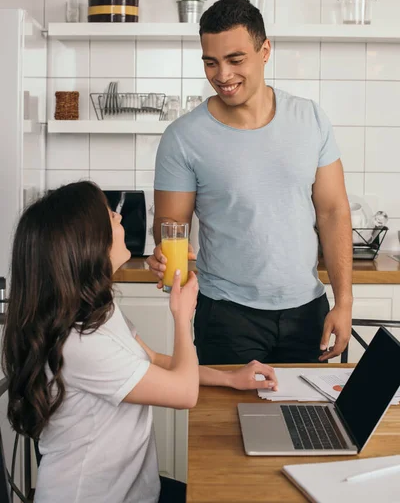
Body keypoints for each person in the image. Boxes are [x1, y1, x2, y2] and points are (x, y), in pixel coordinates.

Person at [2, 180, 277, 503]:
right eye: (108, 215)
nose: (118, 218)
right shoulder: (78, 344)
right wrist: (181, 316)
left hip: (137, 492)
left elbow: (157, 362)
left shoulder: (97, 312)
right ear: (85, 243)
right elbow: (184, 393)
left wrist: (229, 377)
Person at [148, 0, 353, 366]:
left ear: (265, 50)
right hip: (226, 316)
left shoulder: (310, 119)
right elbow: (170, 225)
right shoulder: (182, 137)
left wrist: (344, 303)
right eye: (211, 62)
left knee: (306, 420)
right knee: (224, 424)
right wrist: (164, 250)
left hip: (308, 310)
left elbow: (334, 213)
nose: (222, 75)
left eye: (235, 59)